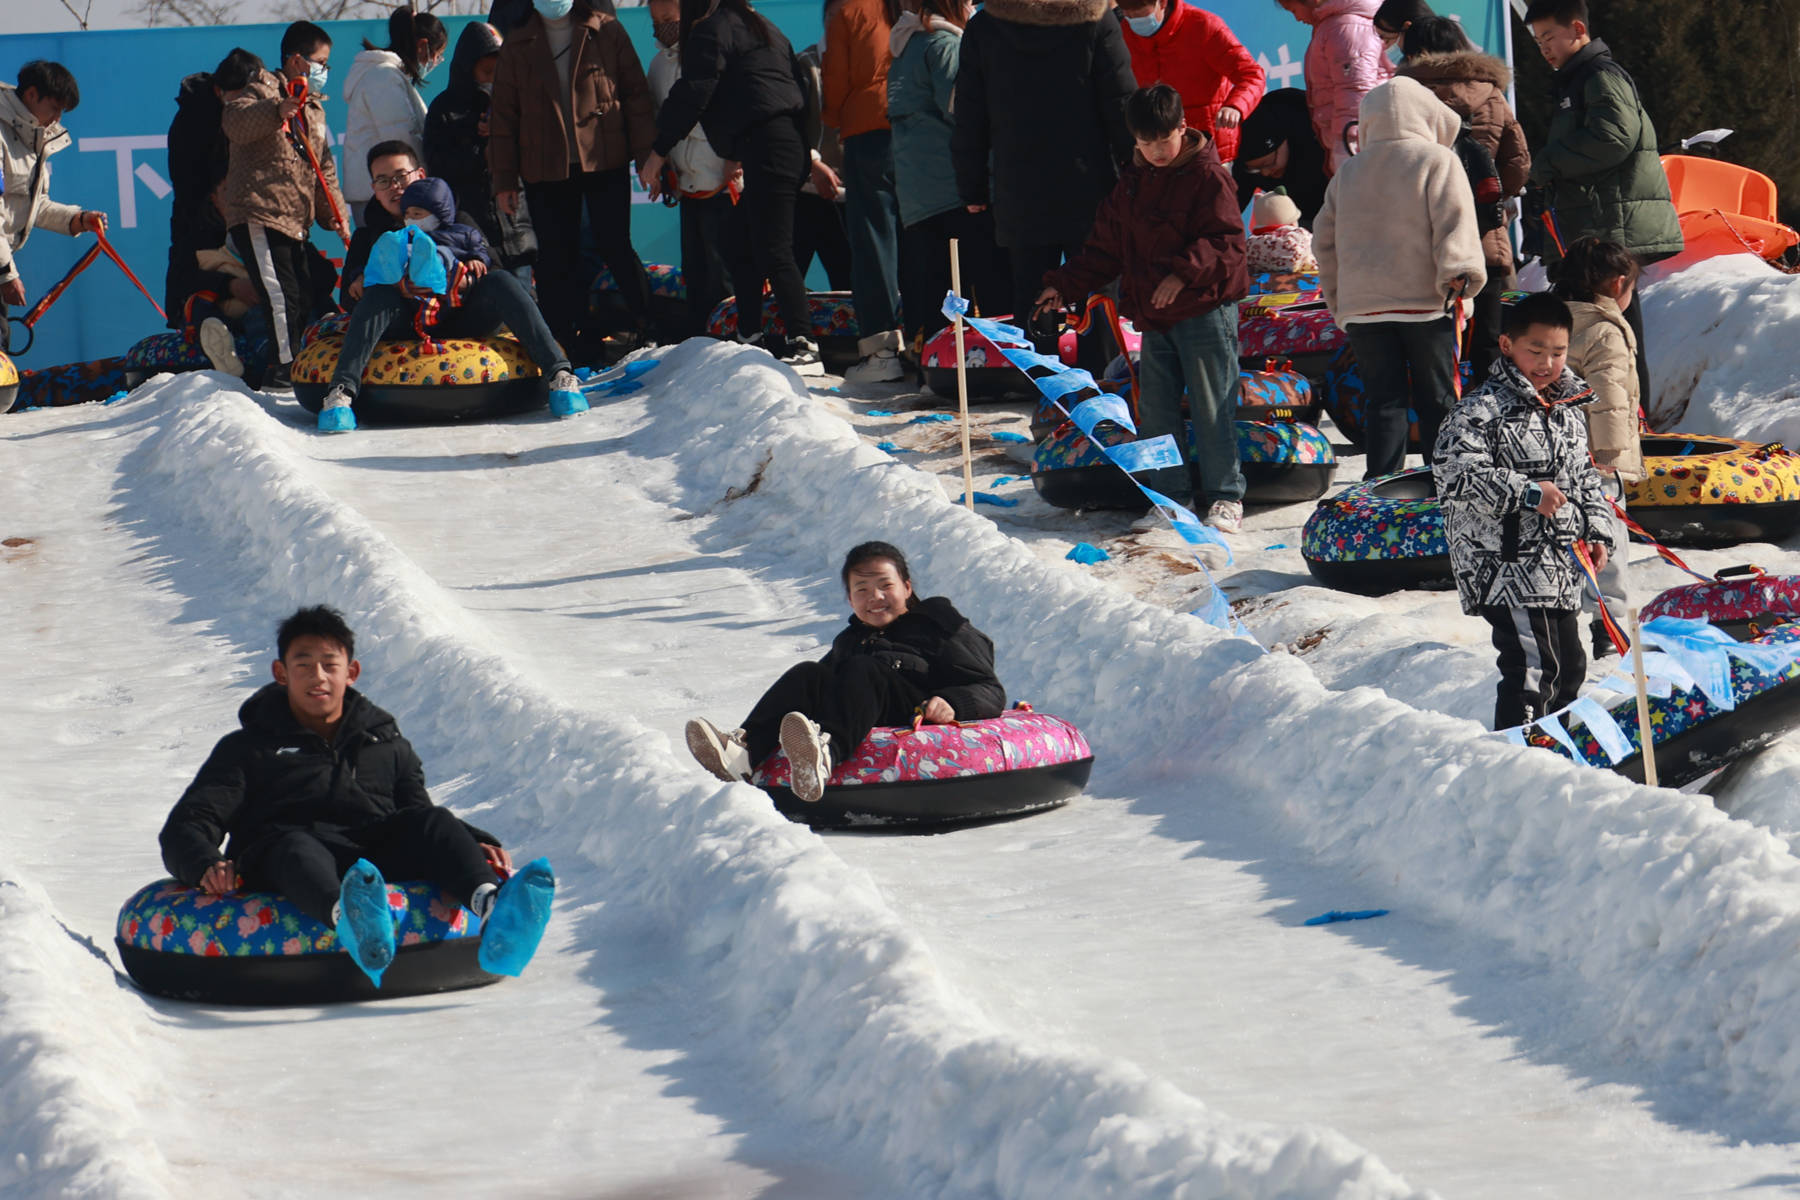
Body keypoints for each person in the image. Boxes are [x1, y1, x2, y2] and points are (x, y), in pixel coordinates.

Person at [158, 605, 556, 985]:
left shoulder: (385, 743)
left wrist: (475, 841)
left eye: (330, 665)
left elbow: (417, 813)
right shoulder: (247, 749)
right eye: (303, 665)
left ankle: (495, 911)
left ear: (351, 672)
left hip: (371, 855)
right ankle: (352, 922)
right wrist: (206, 863)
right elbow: (190, 823)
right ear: (281, 673)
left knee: (432, 822)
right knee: (294, 845)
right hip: (289, 860)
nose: (318, 677)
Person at [1035, 83, 1249, 532]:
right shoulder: (1131, 183)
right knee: (1156, 409)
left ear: (1183, 128)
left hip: (1206, 311)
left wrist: (1182, 273)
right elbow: (1103, 250)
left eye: (1163, 140)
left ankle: (1226, 497)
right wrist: (1061, 286)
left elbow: (1227, 243)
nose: (1155, 151)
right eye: (1145, 142)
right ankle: (1171, 497)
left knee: (1213, 406)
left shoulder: (1210, 177)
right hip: (1155, 317)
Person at [685, 542, 1005, 804]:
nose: (875, 598)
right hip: (863, 713)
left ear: (907, 587)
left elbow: (990, 688)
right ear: (850, 599)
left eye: (885, 586)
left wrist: (953, 701)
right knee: (808, 674)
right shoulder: (851, 639)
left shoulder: (938, 627)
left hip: (914, 711)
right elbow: (820, 688)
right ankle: (744, 753)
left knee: (863, 668)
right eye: (862, 590)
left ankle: (827, 755)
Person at [1433, 293, 1613, 730]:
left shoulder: (1568, 411)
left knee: (1568, 665)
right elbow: (1453, 473)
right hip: (1507, 565)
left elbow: (1585, 478)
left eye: (1558, 351)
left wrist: (1597, 530)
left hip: (1560, 563)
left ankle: (1555, 751)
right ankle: (1522, 753)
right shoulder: (1482, 410)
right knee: (1534, 668)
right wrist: (1529, 492)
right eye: (1536, 350)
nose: (1547, 362)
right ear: (1508, 344)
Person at [952, 0, 1136, 376]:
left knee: (1034, 302)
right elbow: (1121, 105)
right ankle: (1107, 397)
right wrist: (1138, 176)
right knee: (1099, 296)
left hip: (1020, 188)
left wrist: (971, 187)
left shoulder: (987, 25)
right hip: (1091, 187)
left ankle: (1044, 396)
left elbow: (970, 115)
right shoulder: (1095, 17)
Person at [318, 172, 585, 431]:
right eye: (382, 180)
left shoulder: (463, 227)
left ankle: (559, 374)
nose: (394, 188)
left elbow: (491, 262)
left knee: (501, 280)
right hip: (408, 320)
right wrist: (392, 285)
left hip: (460, 315)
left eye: (400, 177)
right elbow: (353, 297)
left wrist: (469, 274)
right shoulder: (378, 236)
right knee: (378, 292)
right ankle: (341, 392)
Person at [1314, 76, 1485, 479]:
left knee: (1383, 403)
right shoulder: (1436, 160)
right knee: (1437, 400)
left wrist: (1340, 302)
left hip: (1365, 310)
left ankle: (1381, 492)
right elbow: (1454, 224)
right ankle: (1447, 486)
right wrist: (1459, 278)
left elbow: (1324, 242)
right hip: (1426, 302)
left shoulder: (1348, 173)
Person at [640, 0, 824, 374]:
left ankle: (804, 344)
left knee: (774, 249)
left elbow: (694, 91)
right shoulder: (763, 25)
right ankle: (750, 334)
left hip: (769, 143)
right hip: (782, 142)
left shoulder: (712, 29)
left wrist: (658, 151)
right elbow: (798, 88)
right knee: (738, 241)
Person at [1523, 0, 1681, 409]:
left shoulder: (1597, 75)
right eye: (1538, 40)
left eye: (1549, 37)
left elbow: (1614, 138)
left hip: (1612, 227)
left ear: (1577, 28)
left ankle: (1635, 429)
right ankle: (1622, 428)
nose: (1544, 48)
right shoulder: (1578, 79)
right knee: (1608, 334)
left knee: (1613, 337)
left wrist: (1548, 164)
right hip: (1601, 222)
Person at [490, 0, 657, 361]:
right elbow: (503, 117)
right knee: (555, 258)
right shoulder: (518, 42)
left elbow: (636, 95)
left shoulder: (606, 30)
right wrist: (504, 180)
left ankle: (648, 329)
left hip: (604, 159)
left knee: (614, 244)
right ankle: (565, 345)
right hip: (544, 167)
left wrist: (648, 156)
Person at [1396, 17, 1529, 380]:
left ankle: (1435, 430)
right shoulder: (1491, 94)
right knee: (1488, 341)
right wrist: (1494, 195)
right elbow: (1518, 163)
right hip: (1484, 235)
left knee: (1432, 351)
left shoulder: (1405, 98)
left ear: (1415, 53)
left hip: (1426, 240)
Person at [220, 30, 350, 391]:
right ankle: (284, 368)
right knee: (278, 293)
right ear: (297, 61)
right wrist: (275, 110)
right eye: (321, 63)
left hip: (295, 219)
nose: (325, 70)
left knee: (301, 292)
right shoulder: (261, 88)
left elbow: (324, 169)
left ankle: (298, 362)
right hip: (259, 211)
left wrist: (337, 217)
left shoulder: (315, 110)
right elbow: (235, 122)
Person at [887, 0, 1009, 353]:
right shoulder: (946, 46)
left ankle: (936, 363)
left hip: (918, 196)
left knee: (938, 295)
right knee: (986, 286)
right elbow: (967, 115)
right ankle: (991, 367)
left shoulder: (907, 46)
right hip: (955, 191)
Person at [1554, 237, 1642, 657]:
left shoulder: (1549, 321)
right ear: (1619, 283)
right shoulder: (1604, 329)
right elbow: (1608, 396)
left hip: (1550, 456)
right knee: (1606, 540)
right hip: (1594, 461)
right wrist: (1608, 457)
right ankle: (1608, 626)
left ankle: (1559, 622)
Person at [646, 0, 753, 338]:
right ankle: (700, 346)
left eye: (669, 18)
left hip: (722, 179)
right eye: (656, 20)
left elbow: (736, 109)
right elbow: (660, 124)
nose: (662, 26)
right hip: (687, 184)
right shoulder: (657, 67)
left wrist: (736, 158)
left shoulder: (712, 50)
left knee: (725, 272)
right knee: (696, 273)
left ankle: (736, 338)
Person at [823, 0, 906, 382]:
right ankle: (925, 342)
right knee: (919, 239)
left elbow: (835, 78)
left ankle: (882, 352)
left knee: (874, 241)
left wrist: (834, 118)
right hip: (919, 129)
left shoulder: (851, 10)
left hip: (868, 130)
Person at [0, 61, 106, 355]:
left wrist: (77, 219)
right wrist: (6, 273)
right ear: (32, 95)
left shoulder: (32, 138)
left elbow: (35, 205)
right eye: (55, 108)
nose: (57, 119)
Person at [424, 21, 538, 289]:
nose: (493, 79)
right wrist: (481, 150)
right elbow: (439, 170)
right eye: (487, 71)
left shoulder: (517, 102)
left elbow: (540, 154)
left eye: (500, 72)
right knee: (490, 306)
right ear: (467, 66)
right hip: (473, 232)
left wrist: (509, 134)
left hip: (518, 223)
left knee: (527, 303)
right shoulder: (444, 109)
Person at [1115, 0, 1264, 164]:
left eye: (1139, 13)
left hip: (1208, 149)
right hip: (1156, 152)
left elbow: (1251, 74)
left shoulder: (1203, 26)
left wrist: (1235, 106)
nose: (1132, 20)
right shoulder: (1123, 33)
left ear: (1162, 3)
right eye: (1127, 14)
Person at [343, 8, 446, 228]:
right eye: (437, 54)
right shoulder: (383, 77)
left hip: (389, 189)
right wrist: (425, 182)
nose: (436, 61)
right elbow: (401, 140)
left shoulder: (390, 76)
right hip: (384, 195)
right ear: (422, 46)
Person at [1273, 0, 1392, 174]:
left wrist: (1347, 146)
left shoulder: (1344, 27)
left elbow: (1356, 89)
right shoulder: (1335, 25)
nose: (1297, 18)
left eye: (1293, 10)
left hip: (1359, 141)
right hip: (1360, 137)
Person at [794, 38, 855, 291]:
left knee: (849, 280)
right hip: (806, 190)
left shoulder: (872, 60)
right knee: (787, 277)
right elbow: (789, 123)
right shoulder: (806, 64)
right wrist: (812, 161)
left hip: (851, 194)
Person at [1232, 88, 1328, 228]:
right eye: (1256, 170)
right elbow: (1232, 209)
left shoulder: (1316, 138)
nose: (1265, 173)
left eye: (1267, 164)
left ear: (1283, 142)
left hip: (1337, 210)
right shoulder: (1246, 160)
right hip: (1293, 220)